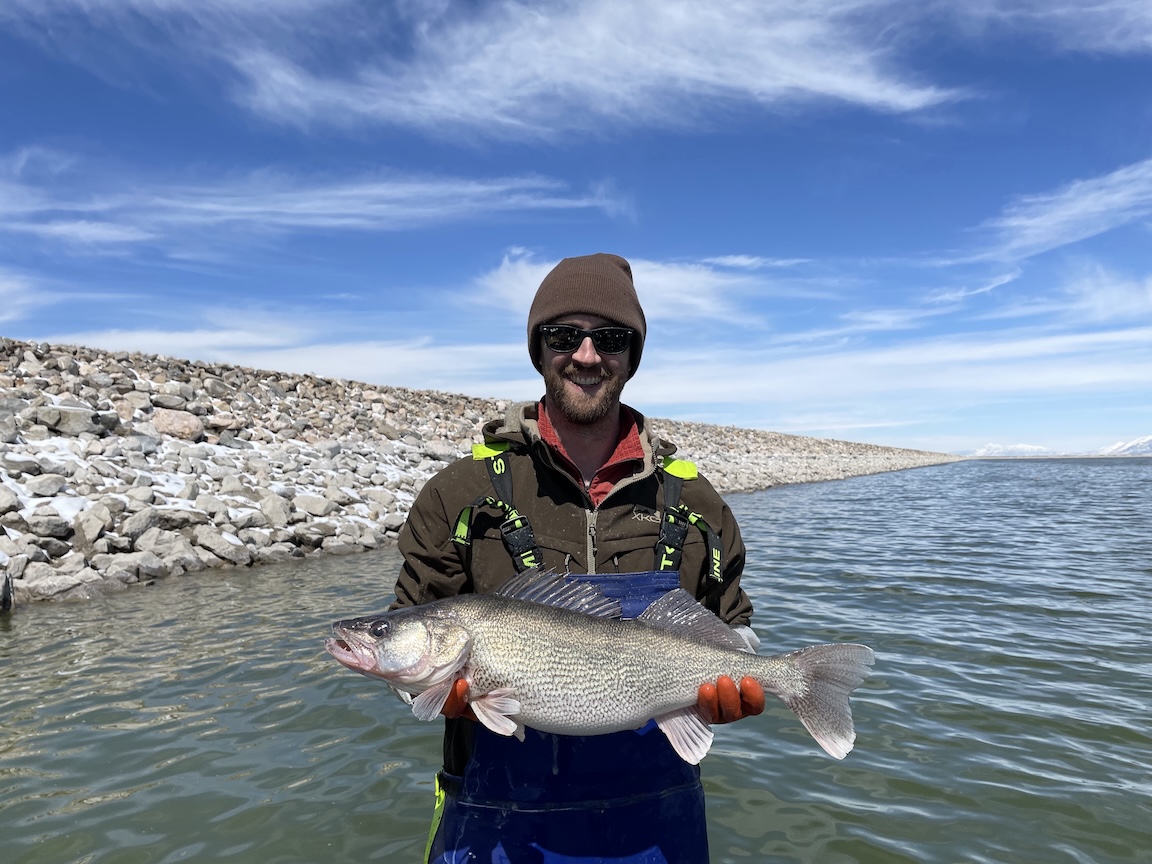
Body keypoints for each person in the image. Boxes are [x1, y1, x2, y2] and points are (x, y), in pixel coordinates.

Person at [392, 253, 764, 864]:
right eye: (565, 336)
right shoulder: (458, 494)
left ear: (632, 355)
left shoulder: (697, 503)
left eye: (611, 338)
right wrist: (423, 693)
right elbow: (409, 627)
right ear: (539, 348)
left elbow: (734, 627)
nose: (587, 356)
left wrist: (740, 688)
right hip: (494, 824)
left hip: (658, 826)